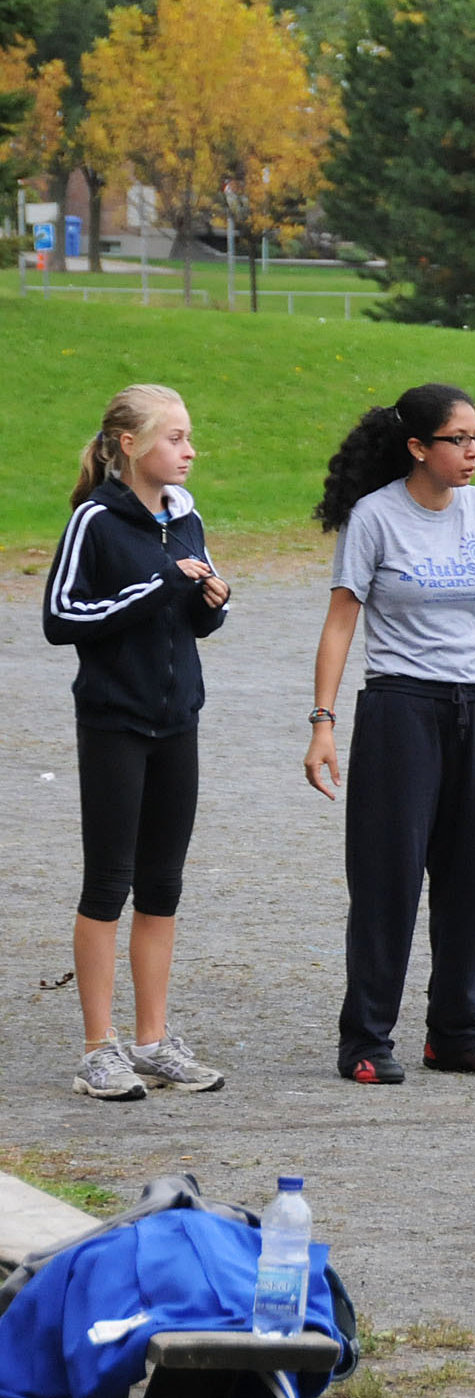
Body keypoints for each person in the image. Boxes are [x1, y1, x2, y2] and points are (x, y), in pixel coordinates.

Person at [305, 384, 475, 1085]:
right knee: (389, 878)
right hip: (402, 709)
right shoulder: (375, 518)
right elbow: (341, 619)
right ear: (418, 447)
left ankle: (455, 1032)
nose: (473, 452)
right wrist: (322, 721)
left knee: (471, 878)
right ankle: (366, 1039)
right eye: (457, 440)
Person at [43, 385, 230, 1100]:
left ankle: (152, 1040)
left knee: (163, 886)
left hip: (179, 722)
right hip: (114, 723)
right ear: (129, 444)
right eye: (175, 438)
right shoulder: (95, 519)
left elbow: (187, 620)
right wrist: (160, 585)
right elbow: (62, 617)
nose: (189, 451)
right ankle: (100, 1047)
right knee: (108, 885)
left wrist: (208, 601)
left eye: (189, 437)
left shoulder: (186, 517)